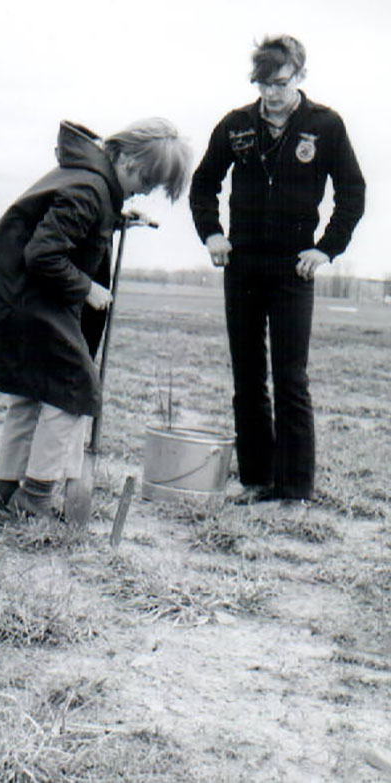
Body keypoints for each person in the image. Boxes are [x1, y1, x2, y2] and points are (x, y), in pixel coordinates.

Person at [0, 120, 192, 517]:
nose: (145, 190)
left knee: (30, 390)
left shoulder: (88, 179)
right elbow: (44, 255)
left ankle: (2, 492)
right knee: (73, 388)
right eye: (145, 180)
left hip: (13, 288)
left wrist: (114, 218)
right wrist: (87, 287)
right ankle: (35, 499)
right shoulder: (89, 189)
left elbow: (68, 227)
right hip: (24, 294)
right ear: (127, 159)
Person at [189, 35, 365, 504]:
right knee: (248, 378)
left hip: (293, 270)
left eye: (280, 83)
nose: (270, 93)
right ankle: (256, 480)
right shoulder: (236, 124)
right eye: (262, 84)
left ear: (300, 77)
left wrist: (326, 250)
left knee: (291, 378)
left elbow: (352, 193)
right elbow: (203, 183)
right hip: (243, 265)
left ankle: (294, 489)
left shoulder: (325, 126)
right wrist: (211, 233)